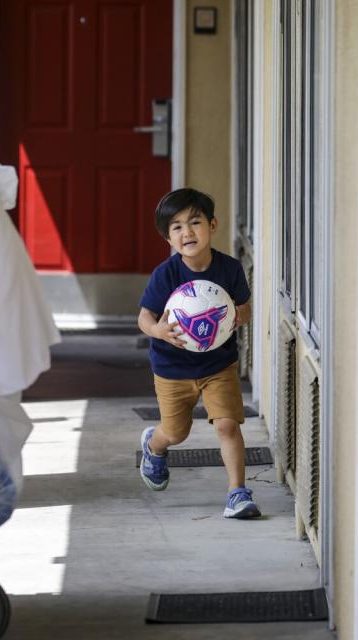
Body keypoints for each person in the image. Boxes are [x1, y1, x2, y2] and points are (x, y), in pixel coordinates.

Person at [136, 187, 260, 519]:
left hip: (218, 364)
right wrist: (159, 331)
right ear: (168, 239)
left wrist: (235, 315)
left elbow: (245, 308)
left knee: (227, 426)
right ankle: (154, 445)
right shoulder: (167, 275)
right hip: (172, 366)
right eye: (176, 227)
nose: (187, 232)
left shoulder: (229, 269)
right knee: (176, 432)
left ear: (212, 225)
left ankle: (237, 493)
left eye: (194, 222)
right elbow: (145, 317)